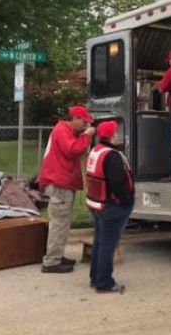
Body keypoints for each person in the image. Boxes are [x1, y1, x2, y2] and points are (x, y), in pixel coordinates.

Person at [39, 105, 95, 274]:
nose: (85, 125)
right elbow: (73, 150)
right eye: (84, 122)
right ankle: (51, 261)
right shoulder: (62, 131)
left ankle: (57, 255)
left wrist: (82, 135)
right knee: (59, 223)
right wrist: (86, 136)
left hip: (62, 184)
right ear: (75, 118)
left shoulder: (64, 130)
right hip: (59, 184)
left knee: (62, 223)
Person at [86, 121, 134, 294]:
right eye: (116, 131)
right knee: (108, 244)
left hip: (96, 203)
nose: (118, 134)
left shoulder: (96, 151)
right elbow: (117, 183)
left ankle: (95, 277)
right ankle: (104, 282)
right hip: (111, 205)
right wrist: (127, 201)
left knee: (100, 242)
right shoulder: (112, 156)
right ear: (113, 135)